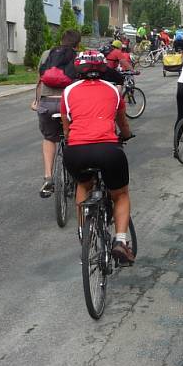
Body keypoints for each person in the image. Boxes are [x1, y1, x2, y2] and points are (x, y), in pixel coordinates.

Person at [60, 50, 135, 264]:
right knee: (120, 194)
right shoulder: (112, 90)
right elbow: (122, 121)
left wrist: (71, 137)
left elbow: (66, 125)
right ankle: (120, 242)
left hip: (76, 151)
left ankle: (84, 232)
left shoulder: (68, 91)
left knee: (83, 185)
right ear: (102, 69)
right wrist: (126, 135)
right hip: (108, 150)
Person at [33, 29, 81, 198]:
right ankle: (76, 175)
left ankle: (48, 177)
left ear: (61, 40)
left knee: (48, 138)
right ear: (77, 43)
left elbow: (40, 78)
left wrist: (37, 101)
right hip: (68, 104)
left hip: (46, 102)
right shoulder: (78, 57)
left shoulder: (47, 53)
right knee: (74, 137)